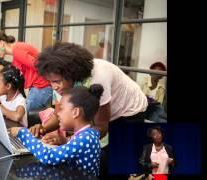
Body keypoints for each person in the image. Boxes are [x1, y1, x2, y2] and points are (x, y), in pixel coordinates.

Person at [32, 42, 148, 177]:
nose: (54, 87)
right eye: (50, 82)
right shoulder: (60, 81)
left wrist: (69, 142)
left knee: (114, 163)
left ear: (71, 74)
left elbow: (101, 127)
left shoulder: (98, 77)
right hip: (104, 111)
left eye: (57, 81)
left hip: (130, 110)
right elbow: (59, 113)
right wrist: (43, 128)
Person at [9, 84, 103, 176]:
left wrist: (22, 133)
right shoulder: (88, 134)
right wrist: (61, 143)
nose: (58, 114)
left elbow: (48, 157)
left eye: (61, 109)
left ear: (75, 112)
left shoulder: (85, 138)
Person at [0, 31, 52, 112]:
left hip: (41, 88)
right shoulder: (16, 52)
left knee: (27, 120)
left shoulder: (17, 51)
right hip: (40, 89)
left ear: (1, 43)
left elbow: (39, 65)